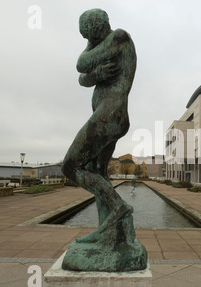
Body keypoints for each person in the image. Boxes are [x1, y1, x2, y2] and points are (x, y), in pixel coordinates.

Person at [61, 9, 137, 243]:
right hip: (109, 116)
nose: (87, 42)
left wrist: (91, 71)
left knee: (70, 166)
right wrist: (96, 75)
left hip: (109, 116)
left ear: (97, 30)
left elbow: (81, 64)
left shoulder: (119, 38)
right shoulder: (104, 46)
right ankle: (109, 232)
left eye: (89, 36)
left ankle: (117, 207)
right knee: (97, 172)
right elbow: (83, 78)